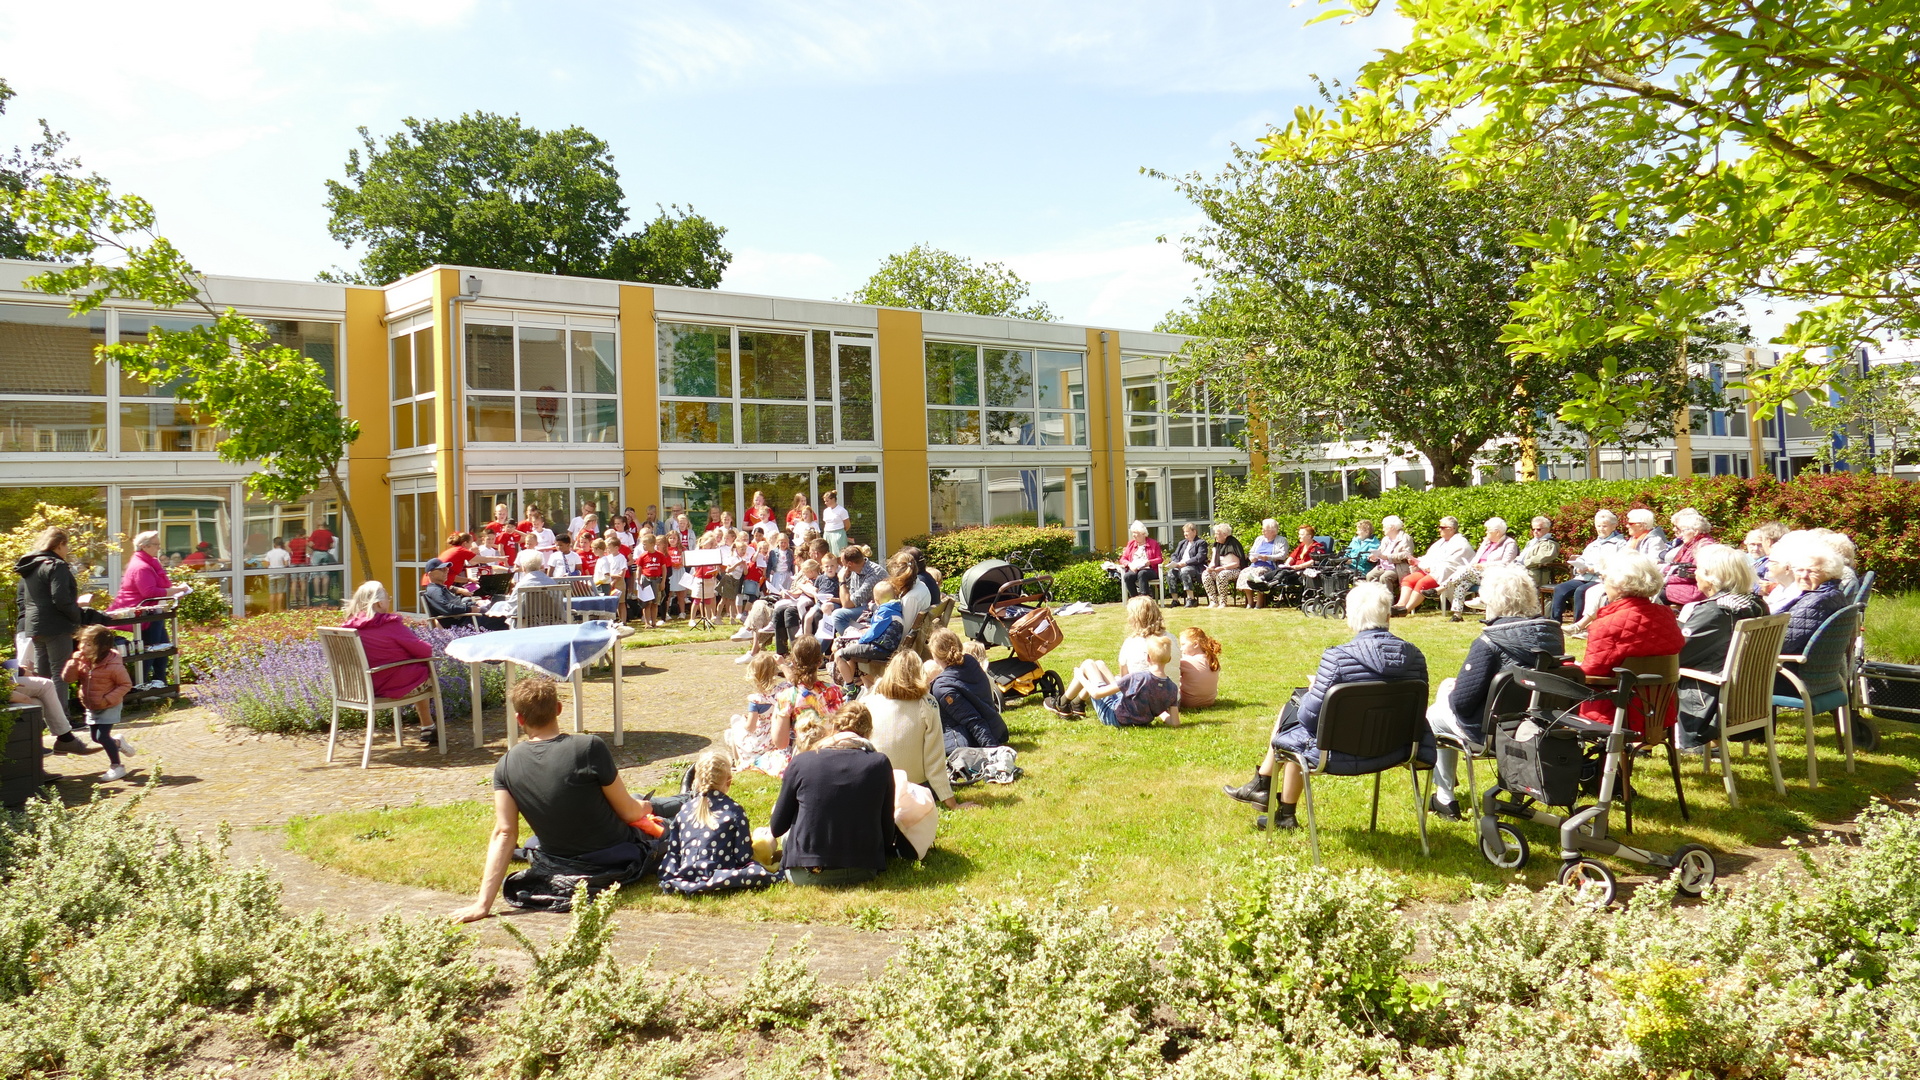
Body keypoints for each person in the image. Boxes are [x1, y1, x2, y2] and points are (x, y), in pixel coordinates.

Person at [451, 678, 689, 922]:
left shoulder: (506, 764)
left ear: (519, 719)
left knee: (537, 839)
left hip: (558, 859)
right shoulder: (589, 747)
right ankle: (690, 798)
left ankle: (684, 798)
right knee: (646, 807)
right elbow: (629, 812)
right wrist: (646, 807)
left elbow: (505, 832)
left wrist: (482, 904)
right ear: (558, 708)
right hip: (614, 856)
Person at [1221, 582, 1428, 827]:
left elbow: (1309, 718)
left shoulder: (1337, 657)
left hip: (1338, 751)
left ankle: (1267, 788)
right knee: (1295, 713)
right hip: (1396, 748)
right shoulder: (1415, 656)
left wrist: (1313, 692)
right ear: (1388, 615)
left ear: (1350, 616)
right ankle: (1278, 806)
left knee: (1294, 714)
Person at [1422, 566, 1563, 819]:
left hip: (1492, 733)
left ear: (1492, 600)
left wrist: (1449, 693)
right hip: (1538, 727)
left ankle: (1444, 798)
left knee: (1434, 713)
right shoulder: (1551, 637)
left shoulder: (1489, 642)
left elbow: (1462, 704)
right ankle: (1516, 793)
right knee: (1448, 687)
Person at [769, 699, 896, 886]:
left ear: (834, 727)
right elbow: (887, 830)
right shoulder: (879, 763)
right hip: (863, 868)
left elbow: (777, 827)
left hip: (806, 872)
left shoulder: (802, 762)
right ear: (868, 732)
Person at [1575, 551, 1684, 733]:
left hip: (1616, 714)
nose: (1604, 586)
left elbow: (1591, 673)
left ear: (1619, 585)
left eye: (1605, 579)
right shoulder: (1667, 616)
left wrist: (1570, 667)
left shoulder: (1607, 624)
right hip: (1660, 712)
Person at [1675, 544, 1768, 750]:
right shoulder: (1756, 604)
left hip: (1708, 696)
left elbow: (1679, 654)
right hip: (1748, 695)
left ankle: (1643, 743)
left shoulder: (1716, 611)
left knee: (1647, 674)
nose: (1695, 574)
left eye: (1698, 569)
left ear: (1711, 577)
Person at [656, 752, 778, 895]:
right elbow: (743, 857)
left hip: (686, 874)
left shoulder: (685, 810)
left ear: (696, 781)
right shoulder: (734, 811)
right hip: (721, 874)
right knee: (766, 843)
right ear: (729, 781)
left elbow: (674, 851)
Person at [16, 526, 107, 714]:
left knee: (44, 676)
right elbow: (61, 599)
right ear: (59, 545)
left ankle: (46, 718)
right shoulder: (56, 565)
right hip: (57, 626)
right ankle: (62, 718)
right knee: (60, 673)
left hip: (35, 625)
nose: (68, 550)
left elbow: (26, 599)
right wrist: (78, 617)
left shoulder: (32, 566)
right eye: (67, 546)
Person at [868, 653, 975, 811]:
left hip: (877, 786)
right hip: (913, 787)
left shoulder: (869, 702)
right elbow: (934, 758)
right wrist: (952, 803)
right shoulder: (927, 704)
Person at [341, 581, 439, 740]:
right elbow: (425, 651)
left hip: (362, 687)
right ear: (379, 603)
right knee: (422, 668)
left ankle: (427, 726)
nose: (389, 601)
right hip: (391, 685)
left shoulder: (347, 628)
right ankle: (427, 725)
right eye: (388, 598)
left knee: (414, 668)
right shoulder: (389, 624)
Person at [113, 530, 190, 690]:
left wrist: (174, 592)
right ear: (144, 546)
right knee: (149, 650)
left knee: (163, 647)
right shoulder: (141, 566)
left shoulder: (149, 563)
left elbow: (159, 588)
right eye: (156, 545)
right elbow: (149, 592)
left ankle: (159, 683)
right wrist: (176, 591)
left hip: (154, 611)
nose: (159, 548)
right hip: (144, 614)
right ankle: (138, 687)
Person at [62, 624, 137, 781]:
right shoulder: (83, 661)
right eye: (82, 642)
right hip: (92, 705)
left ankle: (116, 766)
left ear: (102, 647)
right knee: (96, 738)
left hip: (109, 705)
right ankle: (117, 742)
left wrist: (107, 699)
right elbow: (68, 679)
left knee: (102, 737)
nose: (82, 647)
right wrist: (72, 663)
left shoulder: (114, 666)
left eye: (88, 644)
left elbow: (125, 685)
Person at [1056, 634, 1179, 728]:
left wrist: (1080, 676)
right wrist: (1161, 713)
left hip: (1114, 717)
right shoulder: (1172, 688)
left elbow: (1096, 694)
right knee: (1099, 664)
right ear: (1169, 659)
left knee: (1088, 664)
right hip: (1139, 718)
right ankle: (1077, 704)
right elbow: (1175, 723)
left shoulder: (1137, 678)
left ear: (1148, 658)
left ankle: (1062, 703)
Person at [1772, 532, 1852, 659]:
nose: (1804, 576)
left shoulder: (1818, 602)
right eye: (1799, 570)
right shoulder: (1833, 594)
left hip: (1789, 665)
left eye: (1812, 571)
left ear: (1830, 573)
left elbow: (1781, 643)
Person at [927, 627, 1006, 751]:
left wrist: (991, 749)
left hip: (969, 741)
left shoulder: (942, 687)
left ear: (935, 654)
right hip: (996, 728)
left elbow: (972, 720)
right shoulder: (970, 661)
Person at [1550, 510, 1627, 622]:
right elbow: (1582, 558)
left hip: (1601, 579)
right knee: (1560, 588)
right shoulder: (1593, 544)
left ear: (1614, 526)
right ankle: (1555, 622)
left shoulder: (1620, 544)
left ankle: (1579, 625)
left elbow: (1618, 564)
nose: (1601, 529)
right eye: (1598, 526)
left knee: (1581, 591)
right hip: (1584, 577)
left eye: (1604, 526)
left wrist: (1595, 569)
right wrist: (1578, 567)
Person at [725, 651, 789, 770]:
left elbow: (751, 727)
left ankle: (738, 761)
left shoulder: (756, 700)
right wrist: (783, 665)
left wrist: (744, 720)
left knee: (735, 724)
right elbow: (793, 680)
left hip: (763, 740)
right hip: (779, 733)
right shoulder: (783, 690)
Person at [1395, 517, 1472, 616]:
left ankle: (1405, 610)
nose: (1439, 530)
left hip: (1446, 573)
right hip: (1431, 570)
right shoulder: (1440, 542)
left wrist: (1430, 567)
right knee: (1408, 579)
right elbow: (1429, 557)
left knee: (1422, 583)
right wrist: (1417, 561)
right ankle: (1400, 605)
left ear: (1452, 529)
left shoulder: (1461, 543)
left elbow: (1453, 564)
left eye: (1442, 527)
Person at [1115, 595, 1182, 704]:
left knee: (1099, 674)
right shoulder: (1171, 639)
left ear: (1135, 618)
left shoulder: (1131, 642)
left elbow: (1124, 679)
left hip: (1140, 703)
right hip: (1172, 701)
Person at [1448, 517, 1519, 620]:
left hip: (1494, 575)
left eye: (1488, 530)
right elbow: (1476, 559)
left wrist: (1484, 565)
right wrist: (1471, 566)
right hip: (1476, 573)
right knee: (1462, 584)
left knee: (1464, 572)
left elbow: (1506, 563)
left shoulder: (1509, 543)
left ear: (1497, 532)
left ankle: (1443, 587)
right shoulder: (1486, 542)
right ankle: (1457, 615)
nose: (1486, 532)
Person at [835, 580, 903, 686]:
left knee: (839, 655)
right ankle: (865, 686)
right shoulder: (894, 608)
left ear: (877, 600)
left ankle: (850, 687)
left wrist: (861, 640)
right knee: (850, 649)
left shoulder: (884, 612)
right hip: (885, 647)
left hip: (878, 649)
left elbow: (874, 633)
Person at [820, 546, 886, 641]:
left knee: (838, 615)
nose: (840, 564)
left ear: (850, 564)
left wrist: (841, 580)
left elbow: (847, 603)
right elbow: (847, 600)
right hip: (861, 607)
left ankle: (851, 643)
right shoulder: (855, 571)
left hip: (876, 609)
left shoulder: (874, 573)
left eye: (842, 562)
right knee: (826, 614)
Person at [422, 558, 506, 631]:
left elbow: (457, 604)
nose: (446, 571)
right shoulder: (435, 590)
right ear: (430, 574)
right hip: (463, 623)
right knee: (505, 620)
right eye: (442, 569)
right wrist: (469, 609)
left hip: (467, 618)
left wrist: (475, 603)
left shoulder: (440, 588)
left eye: (447, 569)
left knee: (499, 610)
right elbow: (447, 608)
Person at [1661, 508, 1716, 607]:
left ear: (1695, 531)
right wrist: (1661, 571)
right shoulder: (1692, 544)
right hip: (1687, 585)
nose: (1681, 535)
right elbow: (1678, 566)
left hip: (1697, 590)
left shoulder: (1703, 546)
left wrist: (1665, 579)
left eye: (1683, 531)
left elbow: (1690, 574)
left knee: (1653, 591)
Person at [1238, 519, 1286, 607]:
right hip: (1255, 565)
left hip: (1269, 567)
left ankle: (1259, 602)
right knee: (1244, 572)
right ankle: (1250, 602)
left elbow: (1283, 555)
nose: (1262, 531)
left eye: (1264, 530)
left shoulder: (1281, 540)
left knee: (1258, 573)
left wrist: (1268, 557)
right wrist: (1252, 558)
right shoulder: (1259, 539)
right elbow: (1251, 552)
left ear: (1272, 531)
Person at [1201, 522, 1247, 608]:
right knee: (1206, 574)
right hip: (1219, 569)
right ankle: (1213, 601)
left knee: (1222, 575)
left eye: (1217, 534)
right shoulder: (1217, 544)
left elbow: (1236, 563)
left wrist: (1222, 568)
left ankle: (1223, 602)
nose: (1215, 536)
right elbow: (1213, 561)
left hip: (1235, 570)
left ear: (1225, 535)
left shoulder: (1233, 544)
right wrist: (1210, 568)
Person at [1166, 522, 1209, 607]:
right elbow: (1174, 555)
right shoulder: (1182, 543)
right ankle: (1175, 600)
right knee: (1170, 573)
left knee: (1185, 571)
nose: (1185, 534)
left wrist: (1186, 563)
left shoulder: (1201, 543)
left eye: (1187, 531)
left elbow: (1200, 557)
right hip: (1180, 566)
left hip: (1195, 567)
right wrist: (1176, 563)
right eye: (1184, 532)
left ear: (1194, 532)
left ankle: (1191, 599)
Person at [1178, 626, 1222, 710]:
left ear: (1195, 644)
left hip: (1188, 702)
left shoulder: (1186, 662)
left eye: (1183, 644)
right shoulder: (1211, 659)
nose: (1181, 648)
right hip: (1209, 701)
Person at [1117, 521, 1163, 599]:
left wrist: (1149, 562)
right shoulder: (1131, 544)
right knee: (1128, 576)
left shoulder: (1153, 543)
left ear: (1143, 533)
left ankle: (1144, 598)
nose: (1133, 535)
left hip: (1149, 570)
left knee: (1142, 573)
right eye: (1133, 533)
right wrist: (1129, 565)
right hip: (1135, 569)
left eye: (1135, 533)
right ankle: (1135, 599)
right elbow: (1123, 558)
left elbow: (1159, 559)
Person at [1366, 515, 1414, 590]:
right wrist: (1375, 556)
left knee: (1385, 578)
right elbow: (1380, 551)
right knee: (1370, 576)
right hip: (1383, 566)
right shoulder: (1385, 539)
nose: (1383, 529)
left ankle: (1388, 597)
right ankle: (1374, 596)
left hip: (1397, 566)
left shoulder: (1405, 538)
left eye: (1384, 527)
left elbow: (1407, 554)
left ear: (1392, 527)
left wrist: (1388, 557)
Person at [1518, 515, 1559, 589]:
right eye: (1533, 529)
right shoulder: (1532, 542)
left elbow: (1541, 558)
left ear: (1547, 529)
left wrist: (1523, 563)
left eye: (1538, 529)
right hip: (1522, 570)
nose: (1535, 532)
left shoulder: (1549, 543)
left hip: (1533, 573)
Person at [265, 536, 293, 612]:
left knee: (272, 593)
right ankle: (279, 608)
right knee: (280, 592)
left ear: (274, 544)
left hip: (271, 574)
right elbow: (286, 564)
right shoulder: (284, 553)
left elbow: (266, 564)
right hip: (281, 574)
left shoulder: (269, 553)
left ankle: (271, 609)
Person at [820, 489, 851, 553]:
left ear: (833, 499)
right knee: (827, 553)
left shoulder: (842, 510)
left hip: (838, 534)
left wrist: (840, 532)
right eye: (825, 501)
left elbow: (847, 524)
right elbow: (826, 523)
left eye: (827, 501)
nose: (825, 503)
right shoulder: (825, 511)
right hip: (827, 533)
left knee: (839, 553)